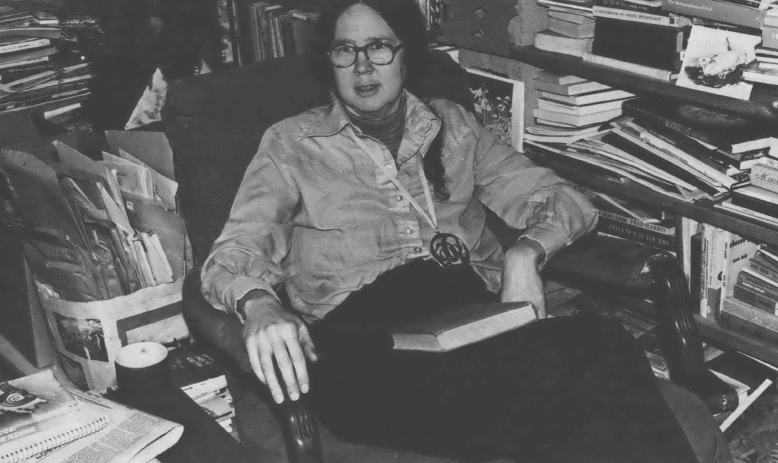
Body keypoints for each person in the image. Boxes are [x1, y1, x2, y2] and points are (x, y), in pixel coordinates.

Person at [200, 1, 725, 461]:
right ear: (329, 61)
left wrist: (525, 253)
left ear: (407, 54)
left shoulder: (453, 127)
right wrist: (259, 305)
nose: (362, 65)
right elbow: (234, 250)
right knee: (570, 389)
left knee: (599, 342)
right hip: (362, 344)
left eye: (379, 46)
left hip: (469, 321)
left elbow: (567, 200)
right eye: (345, 50)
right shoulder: (292, 143)